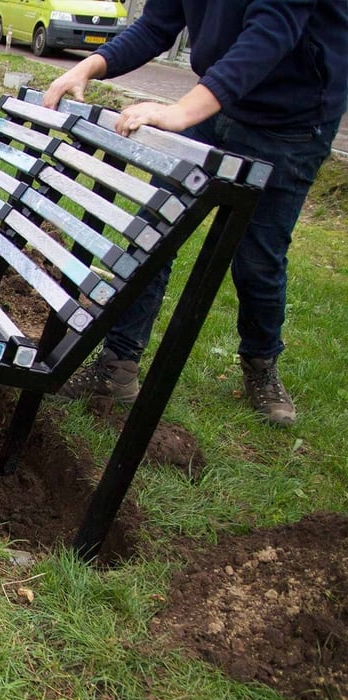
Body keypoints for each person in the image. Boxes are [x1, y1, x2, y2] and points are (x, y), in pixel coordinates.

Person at [43, 0, 347, 427]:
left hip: (290, 120)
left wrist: (182, 112)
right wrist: (90, 66)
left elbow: (272, 30)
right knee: (153, 232)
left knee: (257, 257)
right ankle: (118, 366)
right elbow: (158, 24)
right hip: (217, 99)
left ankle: (260, 363)